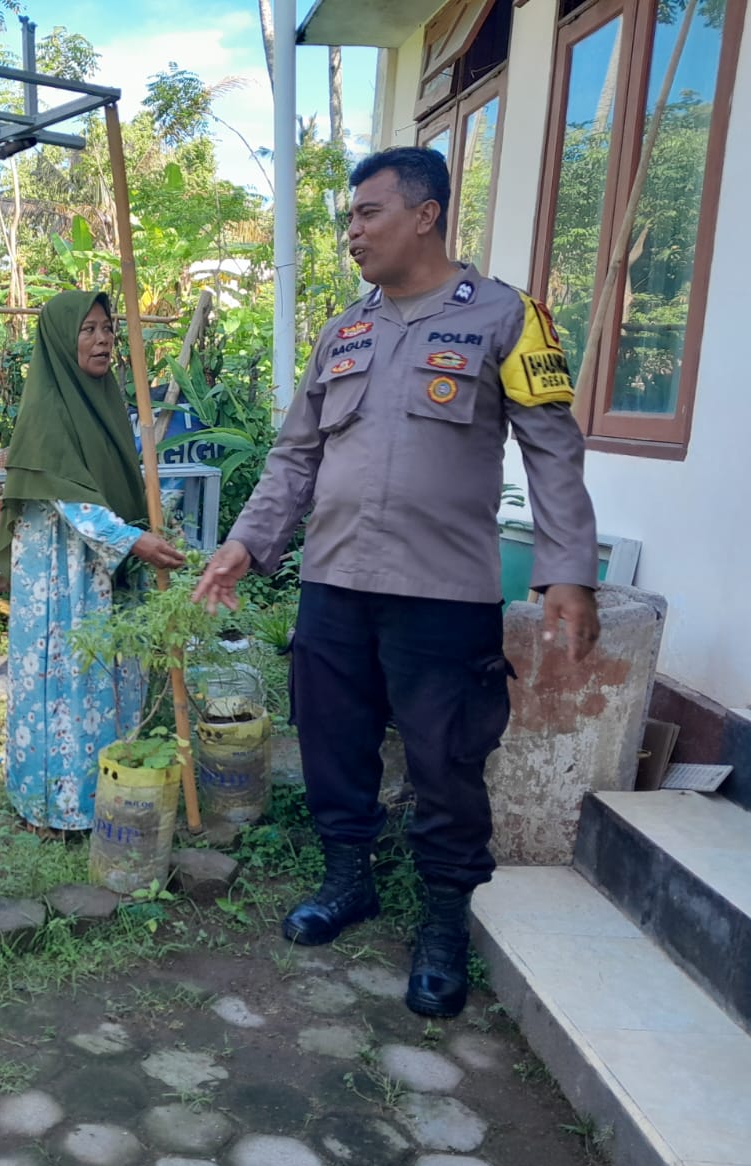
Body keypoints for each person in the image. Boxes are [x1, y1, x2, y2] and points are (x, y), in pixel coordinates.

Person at [191, 147, 601, 1018]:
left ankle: (445, 921)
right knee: (333, 744)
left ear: (425, 214)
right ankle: (349, 881)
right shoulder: (344, 332)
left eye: (367, 214)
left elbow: (553, 449)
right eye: (350, 219)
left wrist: (569, 571)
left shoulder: (507, 318)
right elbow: (295, 456)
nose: (352, 234)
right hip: (335, 583)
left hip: (443, 595)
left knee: (447, 762)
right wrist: (244, 545)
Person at [0, 290, 184, 834]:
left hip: (107, 567)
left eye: (108, 330)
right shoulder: (48, 412)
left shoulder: (106, 401)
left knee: (111, 676)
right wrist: (135, 541)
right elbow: (73, 504)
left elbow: (123, 485)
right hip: (61, 576)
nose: (103, 341)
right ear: (60, 338)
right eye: (89, 330)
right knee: (68, 679)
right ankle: (57, 805)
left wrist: (151, 526)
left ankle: (111, 792)